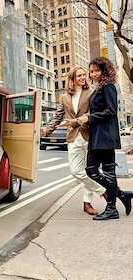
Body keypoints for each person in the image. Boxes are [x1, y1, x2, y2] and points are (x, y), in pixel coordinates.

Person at [41, 66, 106, 215]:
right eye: (79, 76)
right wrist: (46, 131)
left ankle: (87, 203)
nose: (84, 77)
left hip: (89, 136)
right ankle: (103, 191)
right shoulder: (64, 98)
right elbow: (57, 117)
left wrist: (76, 121)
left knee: (89, 171)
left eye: (84, 75)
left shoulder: (91, 93)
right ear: (72, 79)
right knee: (76, 171)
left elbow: (92, 113)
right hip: (73, 137)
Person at [77, 56, 133, 220]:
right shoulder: (98, 88)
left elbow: (111, 111)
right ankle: (122, 195)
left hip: (106, 138)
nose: (92, 74)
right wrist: (88, 119)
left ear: (104, 70)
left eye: (96, 70)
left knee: (109, 174)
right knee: (90, 171)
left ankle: (112, 209)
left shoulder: (108, 86)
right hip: (96, 137)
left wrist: (90, 118)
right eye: (91, 71)